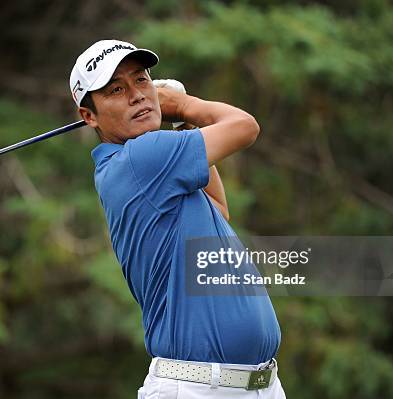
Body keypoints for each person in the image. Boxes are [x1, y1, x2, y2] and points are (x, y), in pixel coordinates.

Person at [69, 39, 286, 399]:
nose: (138, 95)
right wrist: (182, 105)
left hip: (256, 386)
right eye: (116, 90)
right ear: (89, 116)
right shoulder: (143, 158)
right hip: (197, 388)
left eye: (141, 81)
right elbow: (245, 126)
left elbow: (216, 208)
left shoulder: (146, 166)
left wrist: (182, 122)